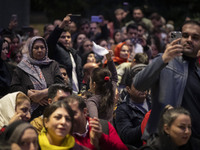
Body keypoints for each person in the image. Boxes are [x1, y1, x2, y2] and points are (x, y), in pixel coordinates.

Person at [132, 20, 200, 141]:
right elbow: (138, 84)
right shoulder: (165, 62)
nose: (189, 39)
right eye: (185, 35)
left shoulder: (198, 72)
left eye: (195, 37)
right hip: (164, 140)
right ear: (179, 38)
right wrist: (163, 59)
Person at [10, 36, 64, 119]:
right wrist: (31, 95)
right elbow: (14, 87)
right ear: (31, 49)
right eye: (36, 48)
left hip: (51, 109)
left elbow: (61, 85)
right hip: (28, 112)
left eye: (42, 47)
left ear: (46, 49)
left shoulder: (53, 65)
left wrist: (42, 93)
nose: (39, 50)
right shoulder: (22, 67)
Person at [115, 64, 151, 149]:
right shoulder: (123, 109)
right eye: (138, 86)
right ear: (128, 89)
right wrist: (147, 122)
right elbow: (127, 136)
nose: (142, 88)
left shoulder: (154, 102)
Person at [47, 14, 83, 94]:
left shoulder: (75, 53)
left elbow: (79, 75)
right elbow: (51, 41)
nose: (66, 39)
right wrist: (62, 24)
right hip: (62, 92)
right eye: (63, 37)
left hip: (77, 93)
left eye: (68, 37)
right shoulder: (55, 49)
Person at [86, 52, 118, 123]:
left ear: (94, 84)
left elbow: (95, 121)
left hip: (100, 133)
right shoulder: (111, 95)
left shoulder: (92, 101)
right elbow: (114, 78)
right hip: (111, 131)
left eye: (90, 81)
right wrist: (109, 60)